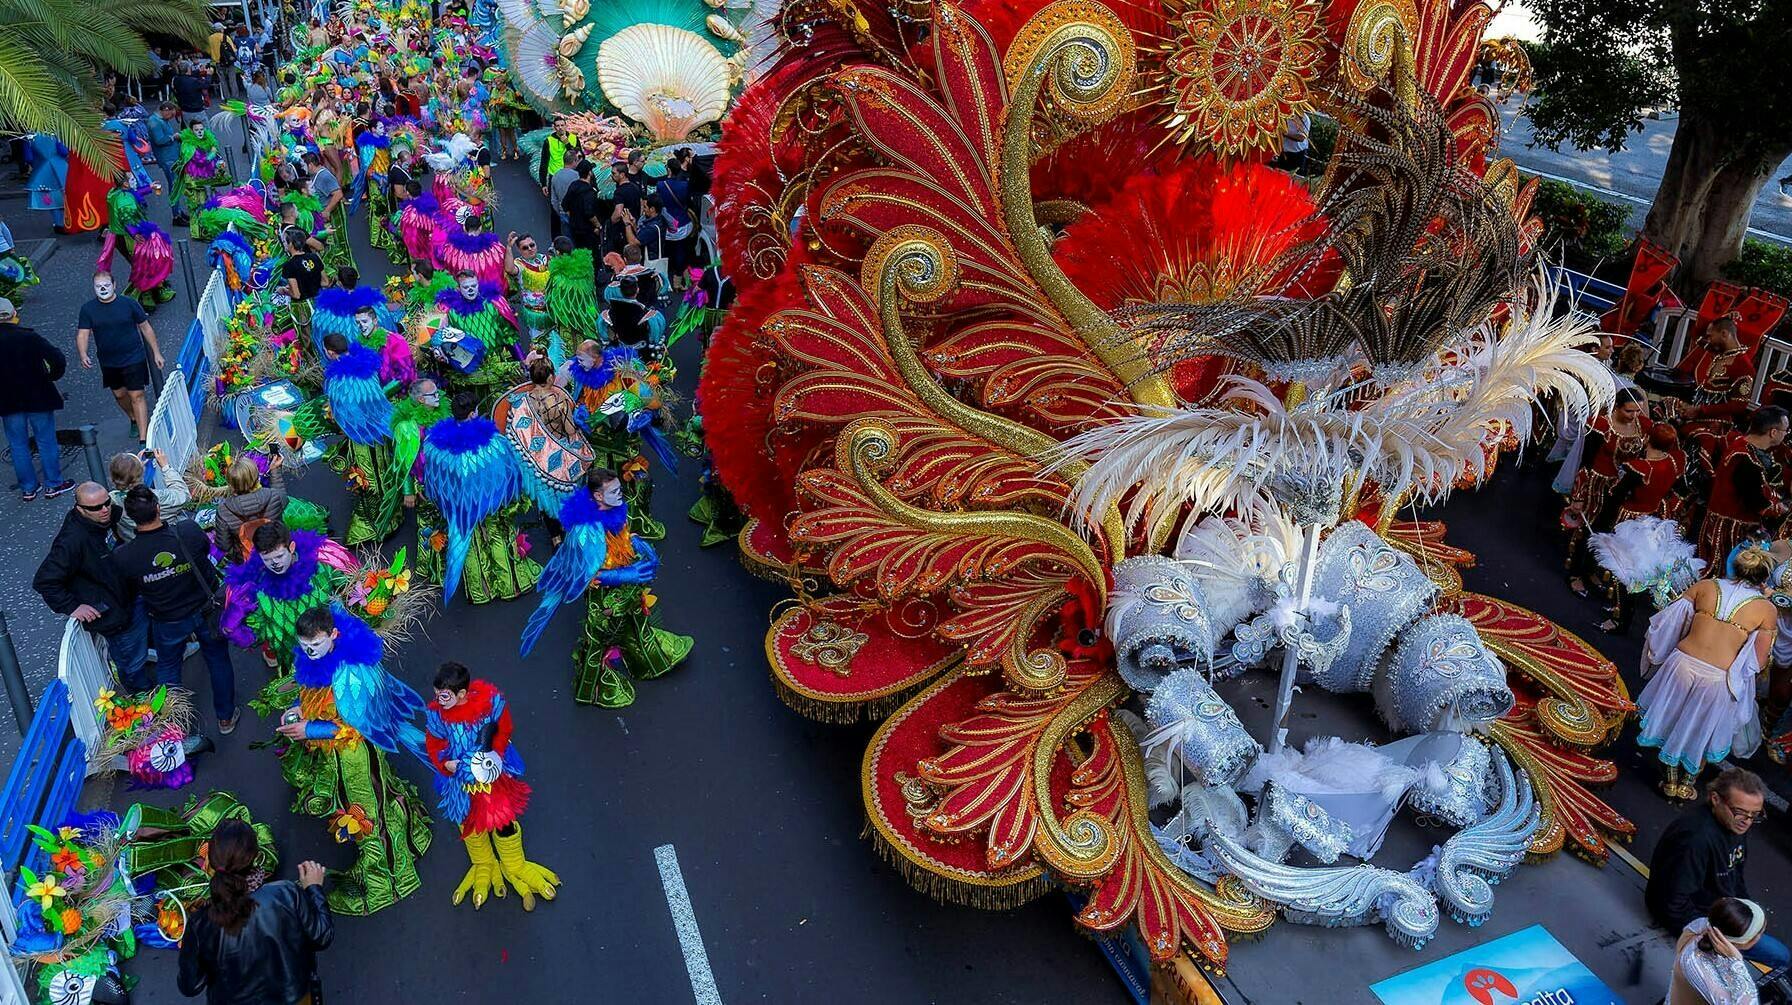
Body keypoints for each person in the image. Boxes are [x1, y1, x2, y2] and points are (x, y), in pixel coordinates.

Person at [275, 606, 433, 915]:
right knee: (368, 807)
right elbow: (315, 697)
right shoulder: (315, 659)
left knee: (365, 816)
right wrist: (299, 710)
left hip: (356, 757)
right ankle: (403, 849)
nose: (309, 651)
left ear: (334, 635)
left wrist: (310, 729)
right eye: (304, 646)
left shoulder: (351, 671)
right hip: (338, 757)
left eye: (316, 645)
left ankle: (384, 886)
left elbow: (354, 727)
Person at [520, 465, 692, 707]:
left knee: (634, 623)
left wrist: (635, 542)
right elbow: (587, 577)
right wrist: (626, 575)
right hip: (603, 601)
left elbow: (621, 538)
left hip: (625, 594)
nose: (620, 494)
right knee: (598, 640)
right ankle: (591, 689)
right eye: (614, 491)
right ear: (598, 496)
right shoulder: (585, 531)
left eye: (620, 489)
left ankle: (649, 660)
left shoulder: (617, 511)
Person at [1638, 546, 1776, 798]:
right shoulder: (1766, 609)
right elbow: (1758, 660)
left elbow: (1669, 622)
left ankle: (1668, 782)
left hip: (1681, 665)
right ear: (1763, 577)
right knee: (1701, 729)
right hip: (1717, 679)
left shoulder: (1706, 585)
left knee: (1673, 718)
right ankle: (1687, 785)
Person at [424, 661, 558, 910]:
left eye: (444, 696)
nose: (438, 701)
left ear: (462, 694)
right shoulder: (436, 715)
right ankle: (483, 862)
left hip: (490, 776)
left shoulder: (489, 704)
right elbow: (434, 744)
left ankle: (514, 863)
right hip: (460, 781)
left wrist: (492, 756)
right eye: (437, 695)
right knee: (466, 820)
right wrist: (447, 764)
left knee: (502, 818)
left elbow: (503, 729)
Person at [111, 486, 239, 732]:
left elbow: (129, 587)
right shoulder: (187, 531)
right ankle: (225, 717)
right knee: (218, 659)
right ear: (158, 508)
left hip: (166, 620)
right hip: (206, 610)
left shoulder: (124, 556)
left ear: (129, 517)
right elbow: (204, 551)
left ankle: (176, 726)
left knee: (168, 669)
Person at [1648, 768, 1788, 976]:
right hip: (1701, 919)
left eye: (1754, 815)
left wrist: (1750, 913)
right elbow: (1672, 905)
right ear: (1715, 799)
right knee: (1781, 956)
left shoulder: (1734, 824)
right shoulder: (1695, 840)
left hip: (1721, 911)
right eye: (1740, 812)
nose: (1747, 821)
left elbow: (1735, 875)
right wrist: (1724, 940)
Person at [176, 820, 332, 1005]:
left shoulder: (200, 922)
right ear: (255, 855)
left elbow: (190, 986)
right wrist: (313, 888)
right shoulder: (286, 894)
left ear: (209, 861)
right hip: (294, 998)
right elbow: (322, 935)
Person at [34, 482, 147, 688]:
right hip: (116, 614)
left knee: (137, 653)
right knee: (132, 664)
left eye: (106, 504)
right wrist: (72, 606)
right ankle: (143, 701)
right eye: (95, 508)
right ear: (80, 509)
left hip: (127, 598)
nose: (104, 510)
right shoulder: (71, 541)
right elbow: (45, 580)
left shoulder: (102, 520)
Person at [76, 271, 163, 444]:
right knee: (120, 395)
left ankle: (143, 438)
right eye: (98, 286)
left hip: (133, 357)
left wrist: (156, 352)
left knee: (136, 395)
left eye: (106, 285)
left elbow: (145, 327)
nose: (102, 288)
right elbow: (83, 334)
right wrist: (83, 353)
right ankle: (133, 418)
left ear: (114, 285)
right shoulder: (88, 310)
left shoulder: (129, 304)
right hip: (108, 361)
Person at [0, 296, 72, 500]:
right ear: (13, 314)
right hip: (37, 395)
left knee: (17, 444)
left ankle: (29, 488)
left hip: (8, 400)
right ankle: (54, 484)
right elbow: (57, 359)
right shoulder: (29, 337)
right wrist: (51, 377)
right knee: (46, 439)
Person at [1669, 897, 1775, 1005]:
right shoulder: (1700, 970)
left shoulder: (1702, 926)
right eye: (1761, 933)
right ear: (1745, 942)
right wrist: (1736, 962)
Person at [215, 455, 292, 565]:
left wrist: (238, 553)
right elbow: (284, 500)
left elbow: (224, 545)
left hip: (249, 560)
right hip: (277, 550)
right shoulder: (273, 495)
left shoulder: (223, 510)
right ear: (256, 477)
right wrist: (275, 469)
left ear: (230, 484)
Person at [108, 449, 189, 539]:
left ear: (112, 478)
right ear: (142, 471)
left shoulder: (111, 500)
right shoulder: (155, 497)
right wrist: (165, 467)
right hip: (166, 540)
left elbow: (130, 486)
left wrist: (134, 466)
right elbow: (183, 495)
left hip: (132, 543)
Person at [146, 103, 185, 223]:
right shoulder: (155, 123)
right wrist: (173, 137)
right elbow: (159, 140)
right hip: (167, 158)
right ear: (165, 110)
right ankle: (176, 215)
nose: (171, 118)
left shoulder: (160, 120)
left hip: (171, 157)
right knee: (174, 186)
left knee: (176, 185)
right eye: (171, 114)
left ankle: (178, 211)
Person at [563, 160, 601, 258]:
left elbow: (564, 204)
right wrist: (598, 226)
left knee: (579, 254)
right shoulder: (589, 192)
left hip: (574, 228)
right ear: (589, 172)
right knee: (592, 257)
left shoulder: (573, 185)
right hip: (587, 231)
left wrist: (574, 218)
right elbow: (589, 213)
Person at [171, 61, 210, 125]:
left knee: (190, 130)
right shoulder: (193, 81)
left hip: (185, 110)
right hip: (197, 110)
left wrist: (198, 71)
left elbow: (185, 75)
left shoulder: (176, 79)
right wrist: (209, 75)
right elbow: (206, 85)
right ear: (188, 69)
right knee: (205, 130)